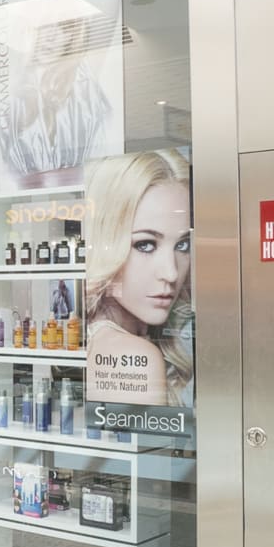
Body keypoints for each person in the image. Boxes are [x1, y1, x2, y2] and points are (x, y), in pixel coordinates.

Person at [84, 149, 193, 407]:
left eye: (183, 245)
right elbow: (150, 448)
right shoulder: (135, 355)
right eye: (145, 245)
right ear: (105, 244)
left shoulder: (106, 338)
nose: (171, 273)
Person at [0, 0, 114, 189]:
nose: (50, 36)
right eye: (43, 25)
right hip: (28, 204)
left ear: (73, 36)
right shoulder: (14, 101)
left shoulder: (86, 95)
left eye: (63, 27)